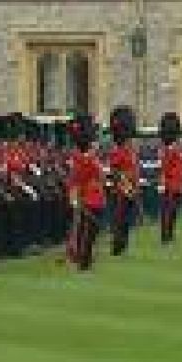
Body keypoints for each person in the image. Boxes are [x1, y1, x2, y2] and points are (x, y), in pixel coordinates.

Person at [65, 115, 104, 270]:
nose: (96, 144)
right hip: (87, 199)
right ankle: (82, 261)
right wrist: (74, 198)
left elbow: (99, 176)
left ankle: (83, 258)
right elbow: (74, 180)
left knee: (89, 232)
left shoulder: (91, 158)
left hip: (96, 198)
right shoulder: (81, 159)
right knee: (85, 232)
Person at [107, 106, 138, 256]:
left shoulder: (129, 149)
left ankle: (123, 245)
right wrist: (125, 185)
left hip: (130, 187)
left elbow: (133, 170)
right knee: (119, 219)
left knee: (126, 219)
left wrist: (133, 187)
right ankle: (117, 247)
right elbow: (115, 172)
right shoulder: (117, 151)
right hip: (121, 189)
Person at [158, 113, 182, 245]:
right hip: (169, 185)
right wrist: (163, 183)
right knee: (167, 211)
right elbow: (165, 168)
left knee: (173, 212)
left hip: (177, 184)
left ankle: (170, 234)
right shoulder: (167, 149)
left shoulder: (176, 147)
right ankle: (165, 237)